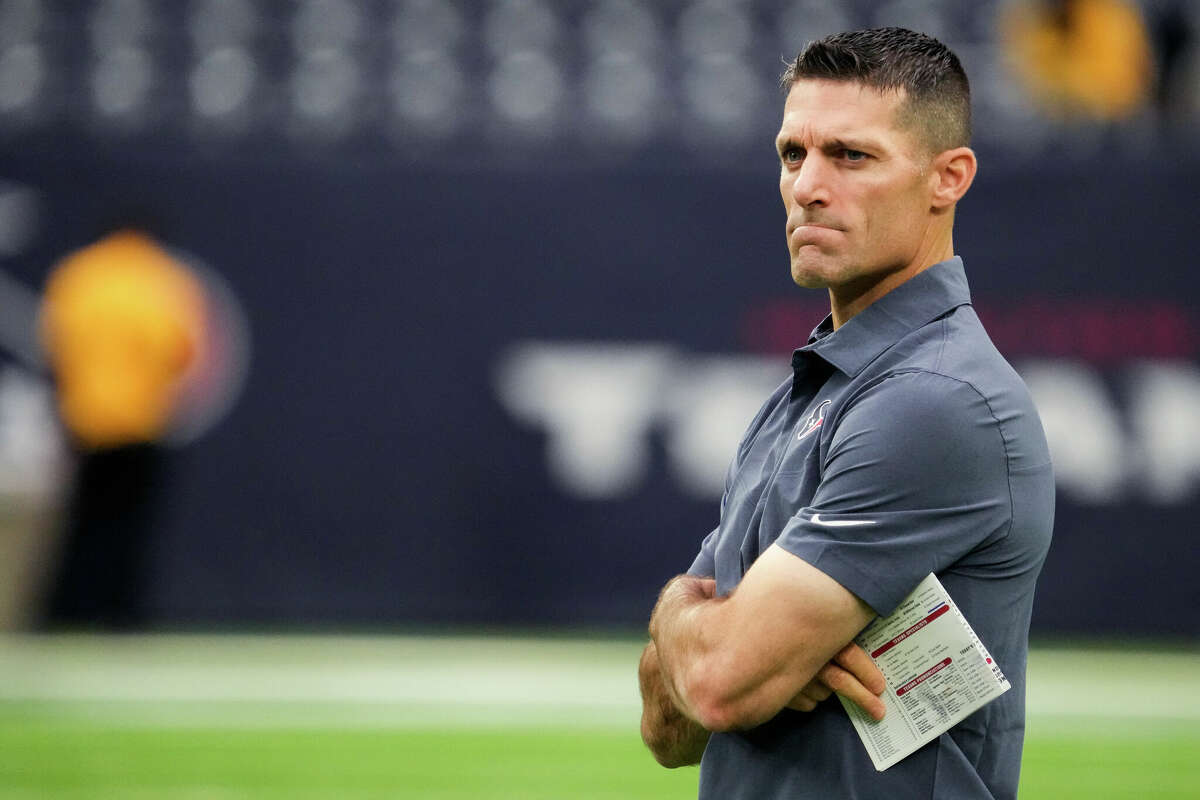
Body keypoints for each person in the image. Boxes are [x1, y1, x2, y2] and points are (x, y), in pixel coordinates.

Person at [638, 28, 1054, 799]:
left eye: (850, 156)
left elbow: (719, 688)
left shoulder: (936, 402)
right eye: (793, 155)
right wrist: (699, 627)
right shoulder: (809, 393)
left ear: (947, 178)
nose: (807, 186)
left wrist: (709, 635)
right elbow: (668, 724)